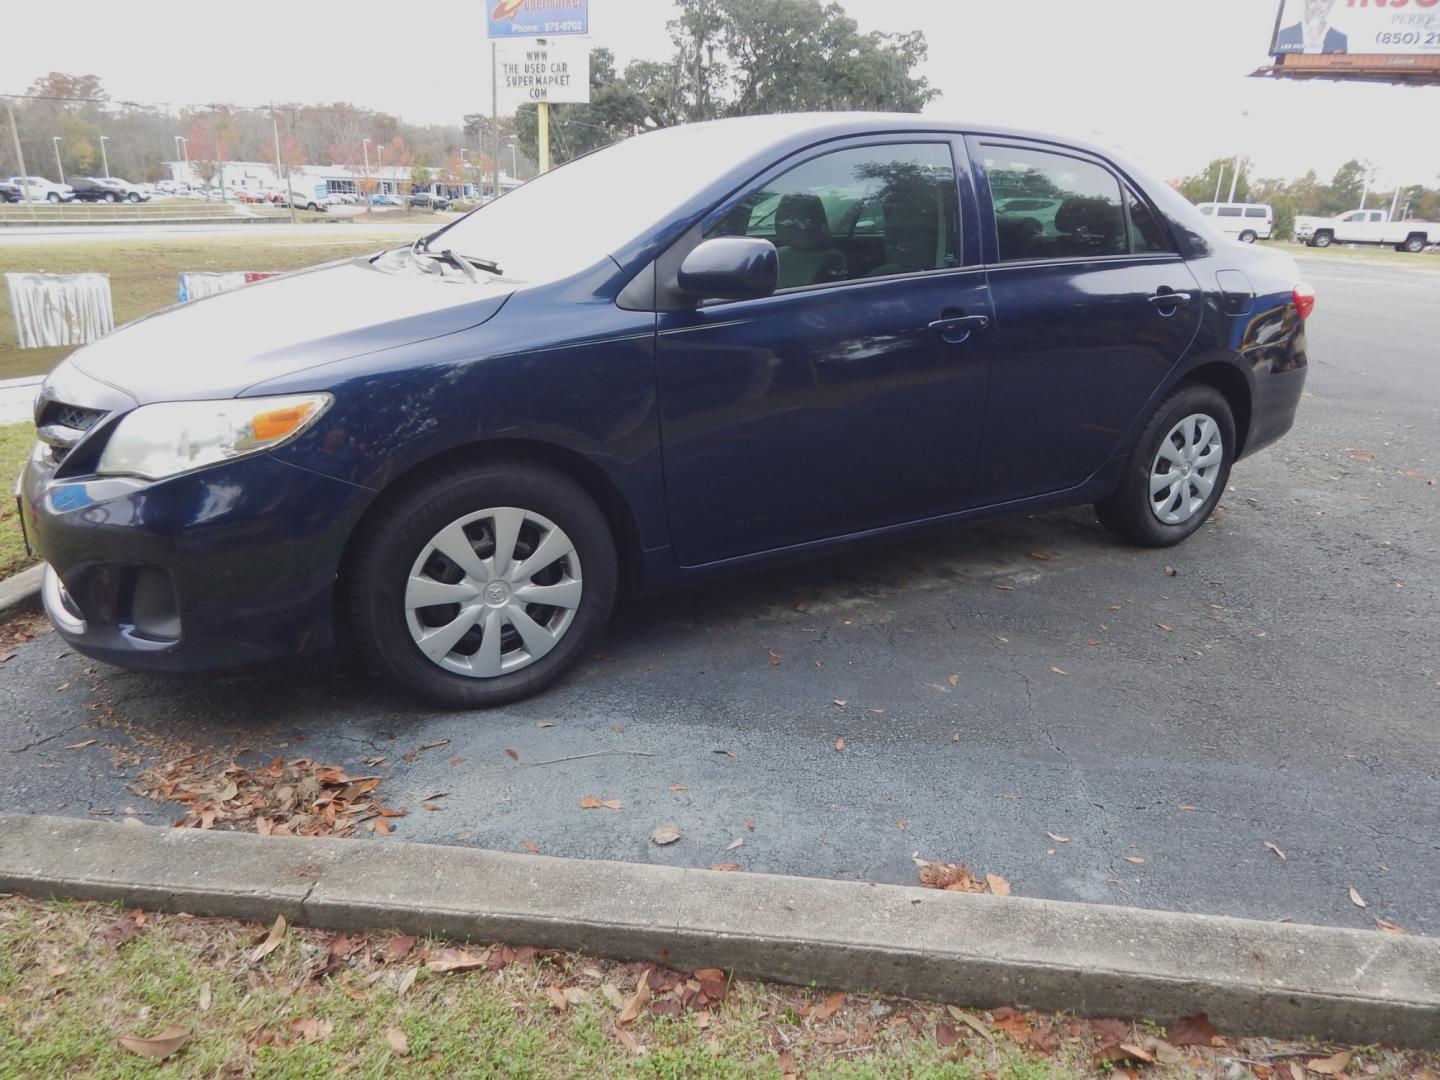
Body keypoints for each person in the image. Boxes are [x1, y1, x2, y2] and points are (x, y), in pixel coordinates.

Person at [1274, 0, 1348, 54]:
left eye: (1324, 1)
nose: (1318, 6)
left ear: (1331, 4)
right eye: (1313, 0)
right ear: (1305, 2)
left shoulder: (1340, 39)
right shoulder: (1284, 35)